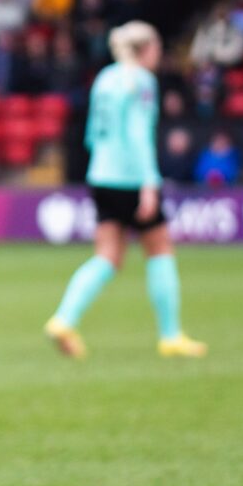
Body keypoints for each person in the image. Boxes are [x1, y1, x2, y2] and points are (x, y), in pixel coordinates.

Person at [45, 21, 206, 358]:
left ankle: (63, 318)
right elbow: (137, 134)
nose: (159, 55)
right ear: (146, 49)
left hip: (101, 173)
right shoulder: (141, 81)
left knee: (107, 256)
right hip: (131, 177)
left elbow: (93, 131)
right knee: (160, 249)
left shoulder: (105, 78)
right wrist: (150, 182)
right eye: (157, 48)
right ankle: (171, 335)